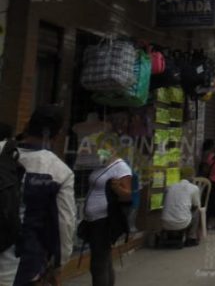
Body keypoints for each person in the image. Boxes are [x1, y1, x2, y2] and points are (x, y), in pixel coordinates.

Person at [0, 106, 76, 286]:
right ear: (57, 135)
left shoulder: (3, 150)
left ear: (27, 125)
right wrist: (59, 263)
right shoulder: (58, 170)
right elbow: (65, 224)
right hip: (22, 264)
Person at [82, 137, 133, 286]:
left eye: (104, 148)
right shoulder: (101, 165)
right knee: (105, 260)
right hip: (93, 220)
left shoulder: (121, 167)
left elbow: (128, 194)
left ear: (113, 149)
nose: (99, 152)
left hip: (104, 220)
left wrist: (117, 188)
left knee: (98, 264)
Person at [161, 178, 201, 247]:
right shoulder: (194, 188)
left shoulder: (169, 187)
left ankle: (171, 234)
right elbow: (196, 205)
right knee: (197, 211)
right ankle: (191, 237)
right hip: (182, 223)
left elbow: (163, 203)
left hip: (164, 222)